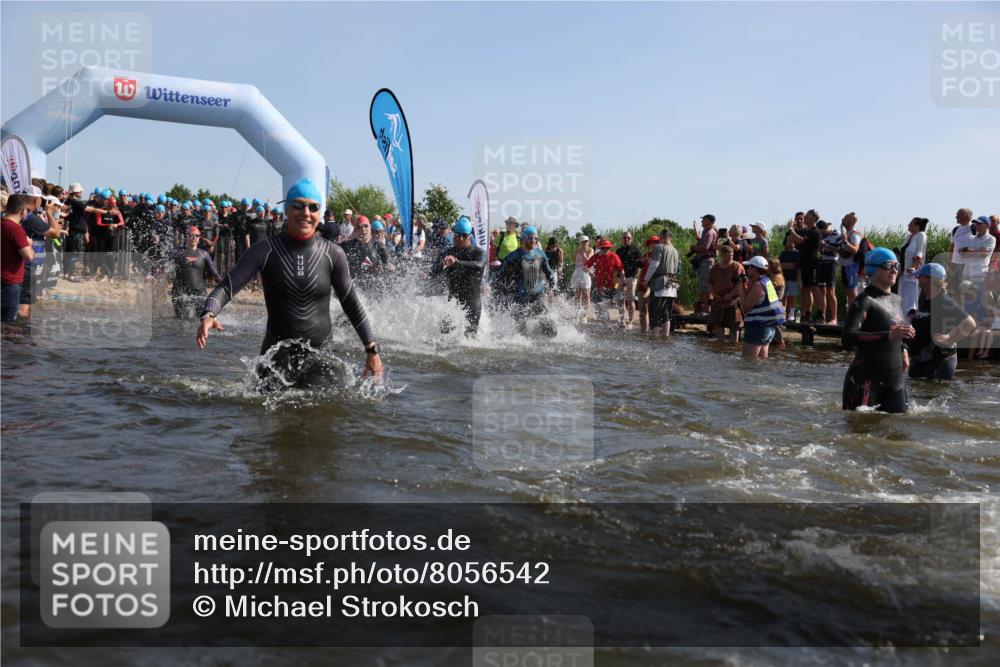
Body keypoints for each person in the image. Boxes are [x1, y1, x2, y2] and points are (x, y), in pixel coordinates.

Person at [197, 178, 383, 387]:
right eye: (298, 205)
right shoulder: (264, 251)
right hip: (275, 361)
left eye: (313, 207)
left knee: (326, 416)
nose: (305, 212)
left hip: (321, 360)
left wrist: (371, 350)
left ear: (319, 213)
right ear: (287, 209)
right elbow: (227, 287)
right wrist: (208, 314)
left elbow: (351, 303)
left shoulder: (333, 254)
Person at [841, 247, 913, 414]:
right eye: (888, 265)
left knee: (898, 435)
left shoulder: (897, 300)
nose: (894, 270)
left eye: (897, 265)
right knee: (860, 437)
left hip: (895, 379)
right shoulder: (864, 301)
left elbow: (896, 333)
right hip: (865, 381)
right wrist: (888, 335)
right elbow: (848, 338)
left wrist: (904, 349)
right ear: (873, 269)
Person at [906, 263, 977, 379]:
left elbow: (970, 323)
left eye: (920, 275)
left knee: (935, 395)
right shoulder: (925, 299)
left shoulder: (944, 301)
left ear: (931, 279)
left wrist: (950, 338)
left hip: (939, 361)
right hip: (921, 359)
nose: (917, 277)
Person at [429, 216, 486, 336]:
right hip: (453, 302)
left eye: (464, 236)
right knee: (444, 335)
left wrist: (457, 262)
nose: (460, 238)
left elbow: (479, 265)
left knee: (470, 338)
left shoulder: (479, 252)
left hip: (472, 302)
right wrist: (442, 265)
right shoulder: (447, 252)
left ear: (470, 236)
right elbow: (432, 273)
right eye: (457, 235)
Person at [493, 225, 556, 333]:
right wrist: (495, 285)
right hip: (520, 298)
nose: (533, 240)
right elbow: (501, 273)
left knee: (551, 330)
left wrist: (552, 287)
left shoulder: (541, 255)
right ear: (524, 239)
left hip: (537, 297)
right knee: (522, 332)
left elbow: (549, 273)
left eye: (536, 238)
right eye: (530, 238)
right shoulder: (514, 255)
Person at [739, 256, 785, 359]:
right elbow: (759, 302)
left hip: (758, 327)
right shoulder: (767, 282)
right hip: (769, 327)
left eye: (749, 267)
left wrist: (739, 288)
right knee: (761, 363)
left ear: (755, 269)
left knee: (748, 362)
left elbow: (745, 308)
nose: (747, 269)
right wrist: (744, 286)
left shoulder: (758, 285)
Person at [171, 226, 221, 320]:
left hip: (199, 291)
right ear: (186, 237)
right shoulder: (177, 252)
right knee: (181, 320)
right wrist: (152, 275)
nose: (194, 238)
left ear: (199, 238)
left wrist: (224, 284)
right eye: (191, 235)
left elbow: (214, 272)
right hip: (180, 292)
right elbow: (161, 265)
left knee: (202, 319)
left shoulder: (204, 254)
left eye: (197, 236)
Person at [61, 183, 105, 281]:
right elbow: (90, 209)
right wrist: (106, 212)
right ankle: (70, 274)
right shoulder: (77, 202)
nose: (82, 192)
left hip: (73, 229)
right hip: (76, 230)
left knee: (69, 252)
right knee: (75, 253)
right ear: (76, 192)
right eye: (81, 191)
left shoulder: (68, 201)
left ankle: (66, 273)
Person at [2, 194, 34, 322]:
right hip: (10, 281)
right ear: (23, 211)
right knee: (8, 322)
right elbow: (29, 256)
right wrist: (30, 244)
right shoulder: (16, 229)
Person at [787, 209, 824, 322]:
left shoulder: (815, 231)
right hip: (804, 264)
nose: (805, 217)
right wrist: (792, 231)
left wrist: (791, 229)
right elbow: (795, 241)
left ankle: (820, 313)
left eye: (807, 215)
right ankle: (807, 313)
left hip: (813, 264)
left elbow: (800, 240)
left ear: (813, 217)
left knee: (814, 288)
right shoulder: (806, 231)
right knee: (805, 289)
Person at [340, 215, 392, 293]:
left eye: (365, 226)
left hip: (374, 288)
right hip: (355, 288)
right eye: (359, 226)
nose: (363, 229)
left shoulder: (379, 246)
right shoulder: (347, 245)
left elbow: (388, 266)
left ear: (370, 228)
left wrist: (385, 268)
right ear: (355, 229)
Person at [643, 231, 680, 337]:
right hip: (672, 283)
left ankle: (654, 338)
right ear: (670, 238)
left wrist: (646, 280)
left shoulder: (659, 248)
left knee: (655, 312)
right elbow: (677, 269)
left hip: (660, 283)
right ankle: (666, 337)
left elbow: (654, 265)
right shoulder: (675, 250)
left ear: (661, 237)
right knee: (667, 313)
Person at [708, 244, 744, 342]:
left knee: (734, 325)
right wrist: (714, 295)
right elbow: (710, 283)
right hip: (718, 299)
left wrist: (731, 295)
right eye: (728, 255)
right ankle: (722, 343)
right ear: (721, 255)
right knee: (717, 323)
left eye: (732, 255)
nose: (730, 257)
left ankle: (733, 345)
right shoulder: (715, 268)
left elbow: (740, 284)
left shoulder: (737, 266)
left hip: (732, 300)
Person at [585, 239, 624, 324]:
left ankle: (617, 322)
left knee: (604, 305)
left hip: (612, 285)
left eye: (607, 248)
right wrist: (590, 272)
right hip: (599, 286)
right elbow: (586, 266)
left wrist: (623, 281)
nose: (605, 250)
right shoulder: (596, 256)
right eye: (603, 248)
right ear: (599, 248)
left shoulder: (613, 256)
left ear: (609, 248)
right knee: (598, 306)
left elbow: (621, 269)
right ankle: (607, 323)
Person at [898, 217, 928, 315]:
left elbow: (919, 253)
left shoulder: (921, 235)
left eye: (910, 224)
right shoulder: (909, 236)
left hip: (913, 274)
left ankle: (910, 324)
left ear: (917, 226)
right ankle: (902, 322)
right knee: (901, 299)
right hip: (903, 272)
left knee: (911, 302)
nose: (908, 225)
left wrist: (913, 267)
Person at [689, 214, 718, 313]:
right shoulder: (707, 232)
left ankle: (706, 309)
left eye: (703, 220)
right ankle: (703, 308)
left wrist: (694, 248)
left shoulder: (710, 233)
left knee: (706, 287)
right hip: (704, 262)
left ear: (708, 221)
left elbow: (705, 248)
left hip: (706, 262)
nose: (702, 222)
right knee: (703, 286)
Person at [958, 216, 996, 290]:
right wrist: (976, 251)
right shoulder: (971, 238)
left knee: (979, 298)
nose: (977, 225)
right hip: (966, 273)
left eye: (979, 223)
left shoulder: (991, 238)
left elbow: (983, 254)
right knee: (965, 298)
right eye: (976, 223)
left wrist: (967, 251)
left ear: (987, 225)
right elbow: (960, 252)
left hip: (980, 275)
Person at [616, 231, 642, 329]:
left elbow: (640, 266)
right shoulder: (619, 251)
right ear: (622, 239)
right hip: (621, 278)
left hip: (631, 277)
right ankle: (622, 320)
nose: (626, 239)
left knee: (630, 300)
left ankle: (630, 321)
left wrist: (634, 277)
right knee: (620, 300)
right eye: (624, 238)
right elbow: (615, 265)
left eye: (628, 238)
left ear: (632, 239)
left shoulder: (636, 250)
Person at [837, 212, 864, 306]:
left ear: (850, 221)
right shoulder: (846, 233)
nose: (842, 219)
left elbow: (855, 250)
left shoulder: (854, 234)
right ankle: (849, 316)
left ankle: (854, 316)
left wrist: (845, 241)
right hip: (845, 265)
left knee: (852, 292)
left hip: (852, 265)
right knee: (848, 292)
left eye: (845, 218)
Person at [817, 220, 840, 324]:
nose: (821, 234)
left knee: (831, 291)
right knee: (822, 290)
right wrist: (820, 246)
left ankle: (834, 318)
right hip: (822, 263)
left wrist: (827, 245)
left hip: (832, 264)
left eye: (822, 231)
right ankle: (823, 317)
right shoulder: (821, 235)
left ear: (825, 228)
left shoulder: (836, 234)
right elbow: (819, 250)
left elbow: (840, 250)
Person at [948, 208, 974, 291]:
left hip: (968, 265)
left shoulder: (975, 228)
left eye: (958, 215)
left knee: (967, 289)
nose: (956, 217)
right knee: (955, 289)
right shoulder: (955, 230)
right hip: (955, 264)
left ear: (967, 217)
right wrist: (949, 264)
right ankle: (957, 304)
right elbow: (952, 247)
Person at [569, 236, 594, 322]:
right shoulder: (577, 250)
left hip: (586, 272)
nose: (585, 243)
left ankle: (584, 315)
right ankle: (577, 314)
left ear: (588, 242)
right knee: (577, 294)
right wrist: (578, 264)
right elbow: (574, 259)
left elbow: (589, 261)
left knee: (586, 295)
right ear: (580, 242)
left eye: (586, 241)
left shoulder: (590, 250)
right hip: (578, 272)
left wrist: (584, 254)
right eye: (583, 241)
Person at [778, 235, 800, 322]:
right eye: (788, 241)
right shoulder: (783, 253)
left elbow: (794, 265)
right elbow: (779, 265)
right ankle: (783, 314)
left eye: (791, 241)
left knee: (792, 297)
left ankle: (791, 315)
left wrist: (785, 265)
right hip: (784, 278)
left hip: (793, 278)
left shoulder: (797, 253)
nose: (789, 243)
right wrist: (787, 265)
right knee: (783, 297)